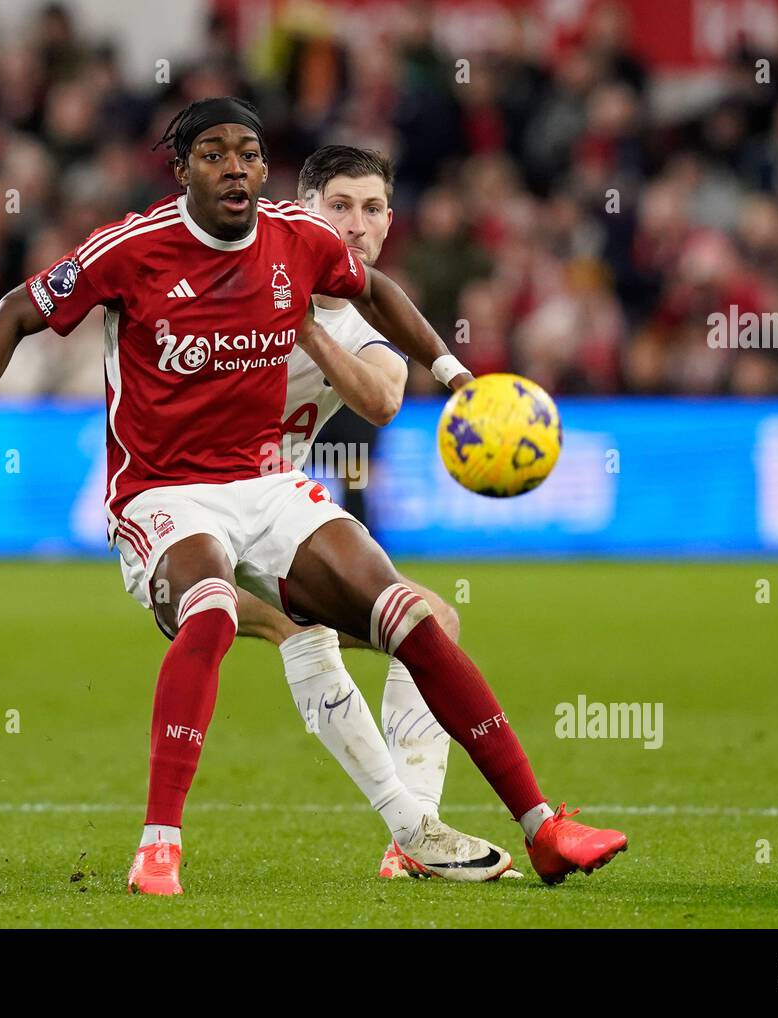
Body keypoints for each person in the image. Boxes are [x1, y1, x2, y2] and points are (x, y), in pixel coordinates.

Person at [0, 97, 627, 896]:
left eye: (247, 152)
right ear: (180, 170)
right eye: (212, 153)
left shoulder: (299, 242)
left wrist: (454, 377)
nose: (233, 166)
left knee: (413, 617)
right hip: (163, 494)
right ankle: (160, 846)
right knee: (209, 606)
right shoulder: (131, 250)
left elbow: (375, 294)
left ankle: (541, 827)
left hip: (270, 485)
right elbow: (11, 315)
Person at [236, 143, 515, 879]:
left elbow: (384, 400)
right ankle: (412, 827)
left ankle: (413, 836)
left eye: (372, 209)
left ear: (391, 224)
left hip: (272, 526)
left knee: (432, 622)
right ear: (302, 209)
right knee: (306, 632)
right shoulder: (237, 257)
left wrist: (305, 326)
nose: (356, 225)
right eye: (339, 206)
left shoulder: (367, 333)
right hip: (182, 509)